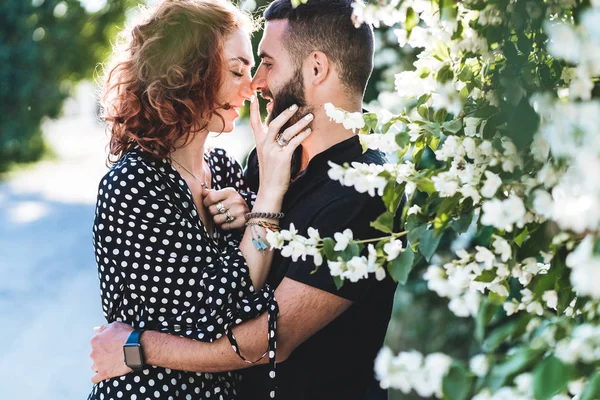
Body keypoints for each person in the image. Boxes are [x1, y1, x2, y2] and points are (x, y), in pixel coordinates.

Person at [90, 1, 399, 399]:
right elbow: (207, 300)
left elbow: (270, 336)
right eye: (240, 69)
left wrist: (136, 348)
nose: (255, 83)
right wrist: (257, 205)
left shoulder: (366, 189)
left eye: (264, 63)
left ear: (317, 68)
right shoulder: (258, 162)